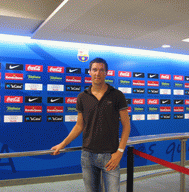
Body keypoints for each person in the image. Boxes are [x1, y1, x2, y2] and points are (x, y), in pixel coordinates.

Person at [51, 58, 131, 192]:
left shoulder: (117, 95)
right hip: (88, 155)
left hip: (110, 155)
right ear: (89, 72)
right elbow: (79, 125)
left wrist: (119, 152)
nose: (97, 73)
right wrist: (62, 144)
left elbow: (126, 126)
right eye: (94, 70)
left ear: (106, 72)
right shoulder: (82, 96)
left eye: (101, 70)